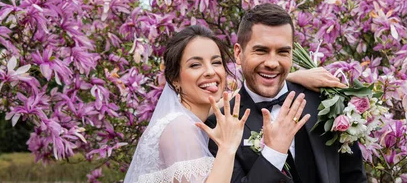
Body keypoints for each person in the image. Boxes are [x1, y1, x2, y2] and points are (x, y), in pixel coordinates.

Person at [124, 25, 345, 183]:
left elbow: (248, 84)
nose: (210, 72)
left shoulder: (203, 115)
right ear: (174, 79)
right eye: (195, 65)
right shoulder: (180, 128)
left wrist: (292, 76)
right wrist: (228, 148)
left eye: (216, 62)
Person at [206, 3, 368, 183]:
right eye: (261, 50)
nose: (272, 63)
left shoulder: (326, 101)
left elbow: (354, 177)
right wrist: (273, 153)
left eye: (283, 52)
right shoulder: (219, 124)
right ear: (238, 53)